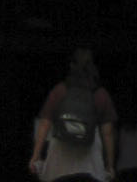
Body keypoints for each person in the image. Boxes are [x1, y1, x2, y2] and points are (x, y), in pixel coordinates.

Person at [31, 46, 118, 182]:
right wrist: (110, 165)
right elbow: (108, 133)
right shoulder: (100, 94)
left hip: (60, 160)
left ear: (71, 66)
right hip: (90, 162)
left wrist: (35, 157)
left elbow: (44, 124)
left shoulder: (60, 90)